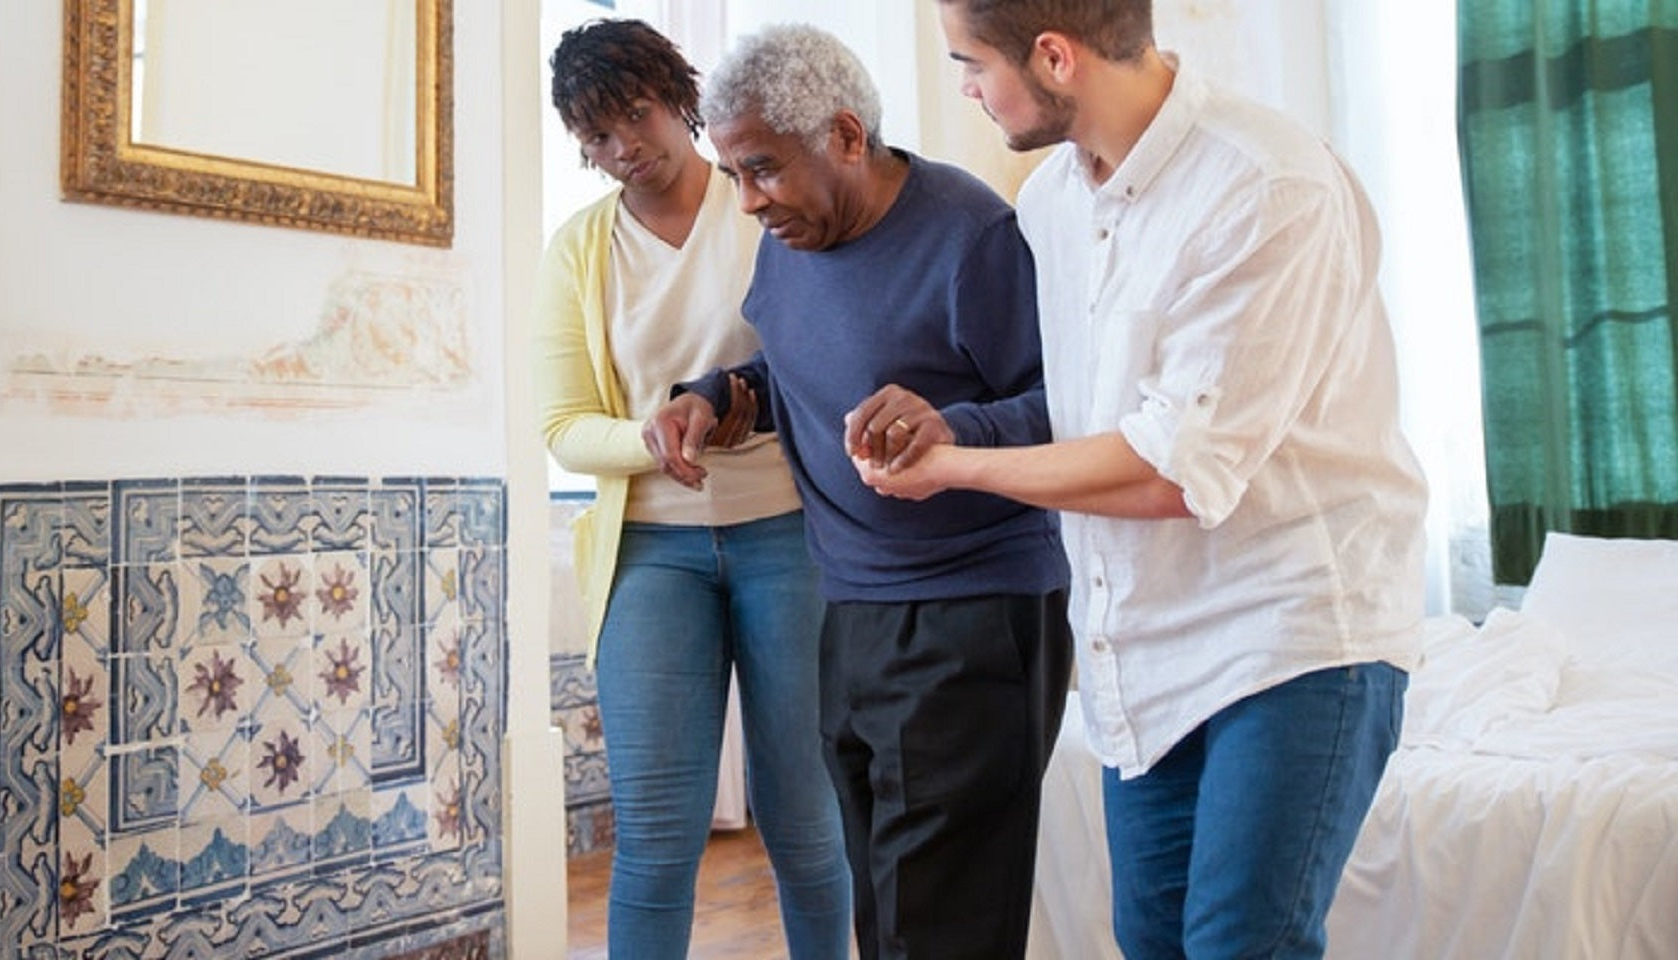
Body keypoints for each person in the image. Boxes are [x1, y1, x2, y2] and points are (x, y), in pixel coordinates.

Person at [859, 3, 1430, 957]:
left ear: (1054, 56)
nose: (964, 88)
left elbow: (1171, 466)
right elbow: (1090, 409)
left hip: (1289, 634)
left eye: (970, 64)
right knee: (1152, 943)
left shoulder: (1266, 185)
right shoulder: (1050, 203)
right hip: (1142, 652)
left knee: (1240, 945)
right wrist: (949, 425)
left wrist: (957, 470)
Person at [642, 24, 1073, 959]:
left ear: (844, 135)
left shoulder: (970, 237)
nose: (749, 200)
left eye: (763, 169)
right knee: (883, 914)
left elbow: (1066, 406)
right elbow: (794, 359)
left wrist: (952, 427)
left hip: (971, 612)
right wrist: (716, 398)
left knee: (940, 920)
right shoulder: (790, 237)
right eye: (735, 174)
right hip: (849, 608)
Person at [533, 19, 852, 959]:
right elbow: (561, 427)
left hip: (788, 535)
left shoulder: (762, 206)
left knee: (806, 824)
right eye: (595, 135)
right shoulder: (579, 250)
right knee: (658, 842)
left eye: (636, 115)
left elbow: (828, 363)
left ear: (681, 99)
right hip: (651, 555)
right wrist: (649, 435)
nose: (624, 147)